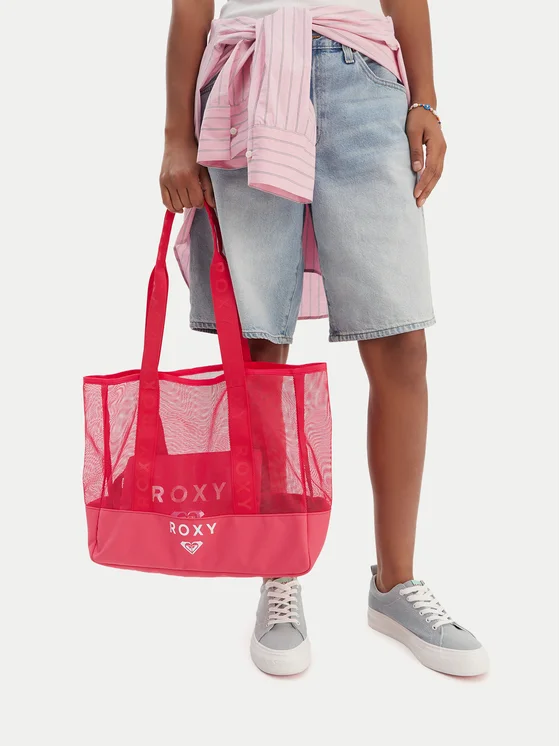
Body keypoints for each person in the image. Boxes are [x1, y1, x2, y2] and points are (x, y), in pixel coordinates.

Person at [160, 0, 489, 677]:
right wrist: (175, 138)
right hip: (248, 76)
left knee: (401, 340)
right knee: (261, 346)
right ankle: (278, 575)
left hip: (362, 76)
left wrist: (425, 99)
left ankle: (395, 585)